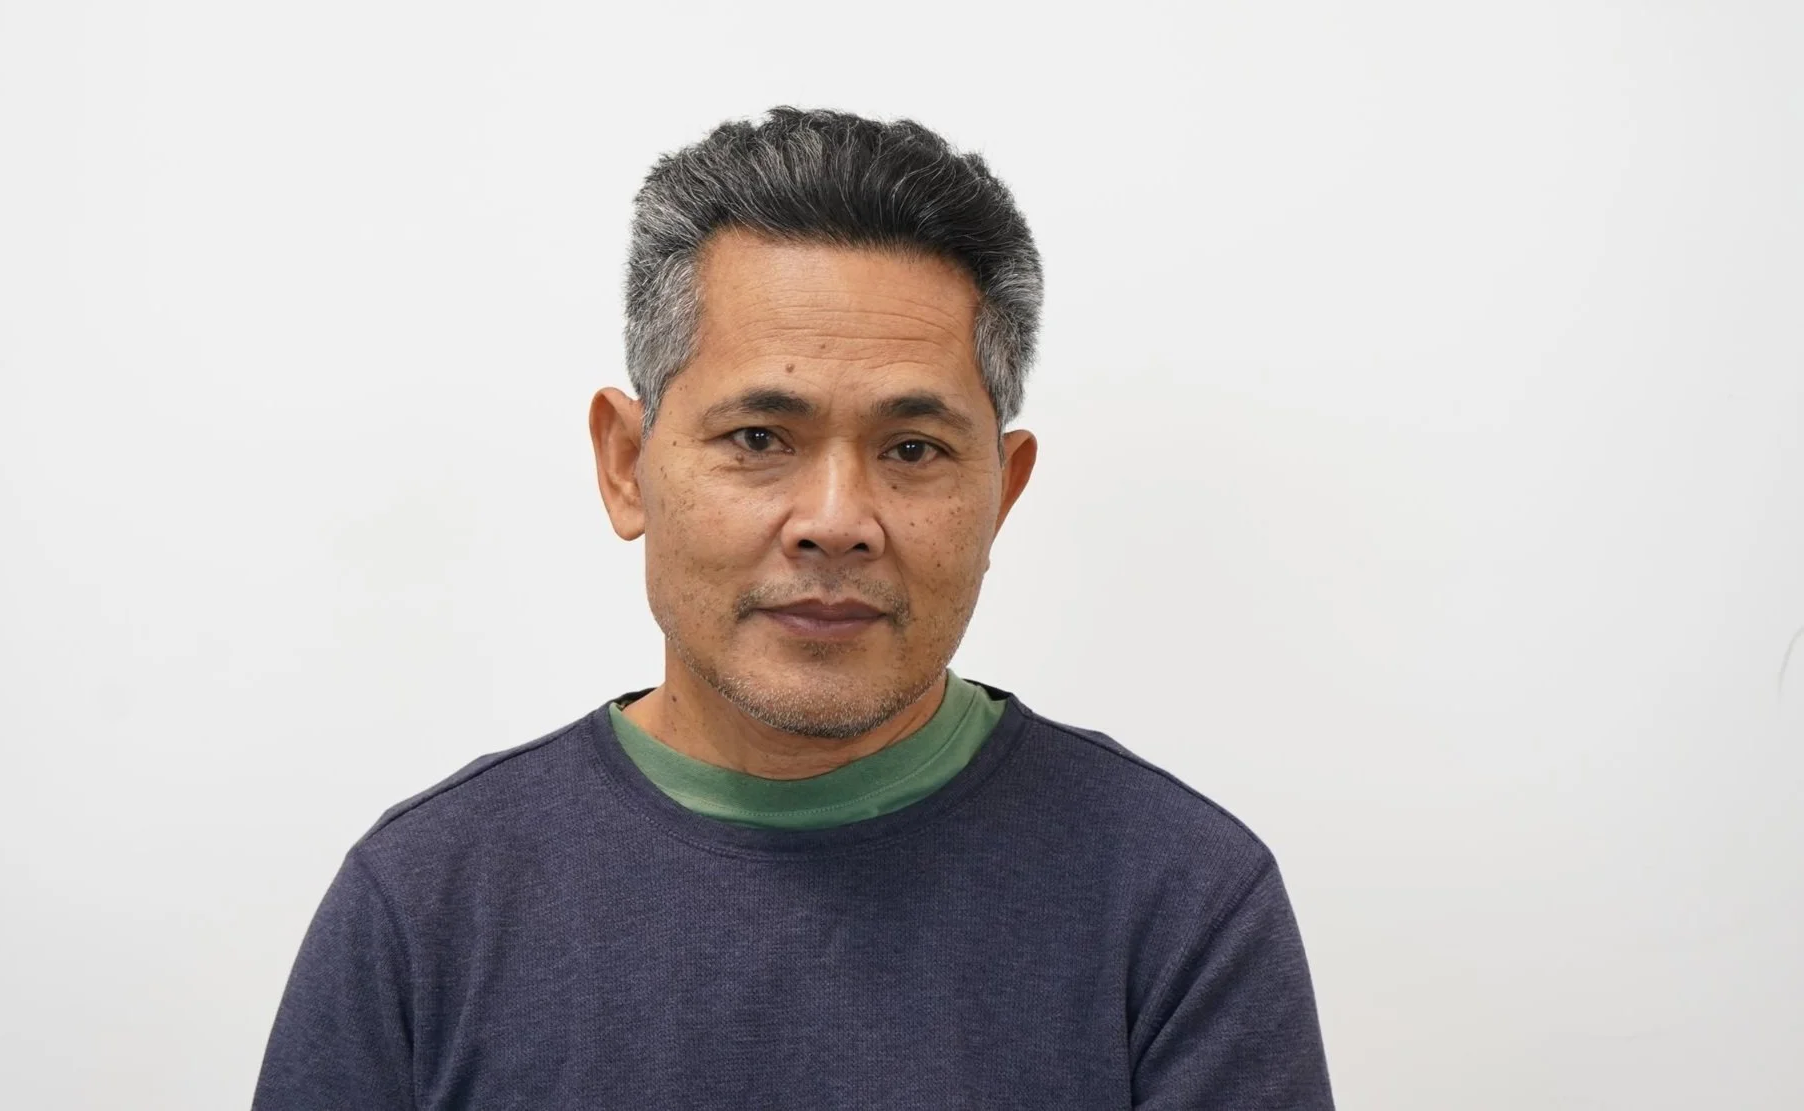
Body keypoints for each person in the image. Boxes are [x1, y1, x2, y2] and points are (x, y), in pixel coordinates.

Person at [253, 107, 1336, 1110]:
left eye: (912, 449)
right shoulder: (426, 904)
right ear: (627, 464)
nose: (835, 521)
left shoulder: (1179, 901)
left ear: (1001, 492)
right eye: (759, 439)